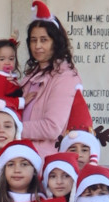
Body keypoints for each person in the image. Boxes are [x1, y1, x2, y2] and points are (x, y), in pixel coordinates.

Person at [20, 2, 84, 158]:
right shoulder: (31, 74)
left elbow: (52, 127)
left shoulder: (65, 76)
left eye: (44, 40)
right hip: (21, 153)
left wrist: (11, 128)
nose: (37, 46)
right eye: (33, 40)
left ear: (55, 42)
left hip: (42, 159)